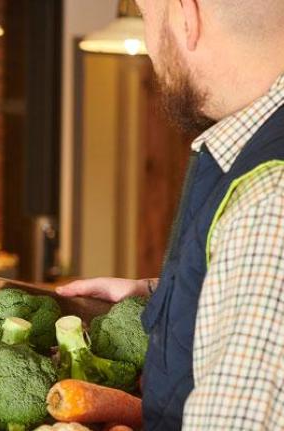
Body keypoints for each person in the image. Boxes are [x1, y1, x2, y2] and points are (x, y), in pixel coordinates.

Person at [58, 0, 284, 429]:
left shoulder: (269, 197)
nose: (149, 45)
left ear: (186, 16)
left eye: (147, 18)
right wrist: (165, 293)